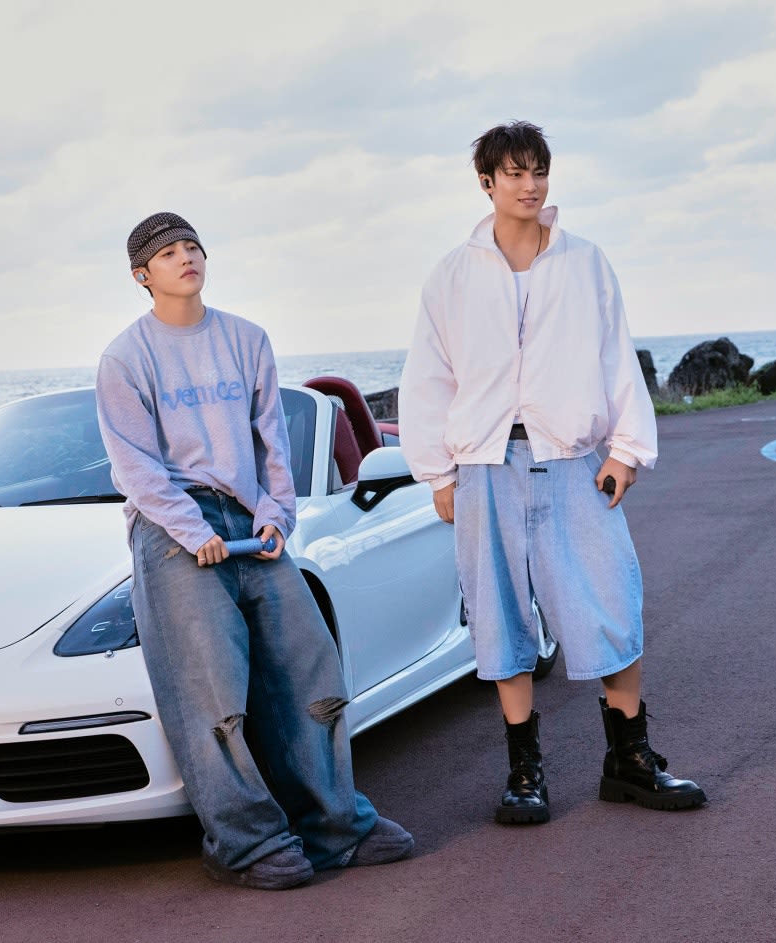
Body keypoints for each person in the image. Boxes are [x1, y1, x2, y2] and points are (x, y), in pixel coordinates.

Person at [397, 122, 706, 825]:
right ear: (486, 183)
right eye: (514, 173)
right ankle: (524, 772)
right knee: (500, 618)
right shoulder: (451, 275)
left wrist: (627, 449)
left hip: (570, 461)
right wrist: (437, 474)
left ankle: (629, 759)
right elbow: (429, 377)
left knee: (612, 601)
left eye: (538, 170)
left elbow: (614, 354)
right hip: (483, 465)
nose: (530, 184)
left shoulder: (584, 262)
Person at [95, 212, 414, 888]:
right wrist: (193, 531)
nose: (185, 257)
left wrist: (277, 514)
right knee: (211, 695)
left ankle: (336, 829)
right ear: (141, 275)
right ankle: (246, 844)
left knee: (311, 672)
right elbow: (136, 467)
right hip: (173, 527)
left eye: (192, 246)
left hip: (250, 517)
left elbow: (272, 441)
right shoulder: (126, 358)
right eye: (168, 252)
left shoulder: (246, 339)